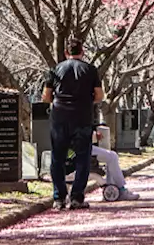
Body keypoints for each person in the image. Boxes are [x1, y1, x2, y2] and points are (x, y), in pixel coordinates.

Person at [43, 38, 104, 210]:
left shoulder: (54, 70)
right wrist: (86, 100)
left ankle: (59, 198)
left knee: (58, 157)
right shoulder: (90, 70)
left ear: (65, 53)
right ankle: (77, 197)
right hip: (82, 117)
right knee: (83, 158)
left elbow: (46, 96)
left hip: (59, 117)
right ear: (82, 52)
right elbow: (99, 95)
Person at [91, 124, 140, 201]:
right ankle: (121, 190)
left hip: (75, 149)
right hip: (78, 150)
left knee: (111, 156)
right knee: (112, 157)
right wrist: (94, 136)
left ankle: (113, 186)